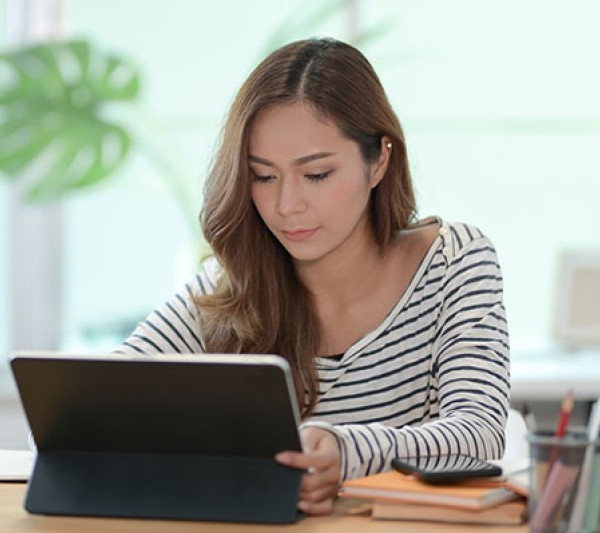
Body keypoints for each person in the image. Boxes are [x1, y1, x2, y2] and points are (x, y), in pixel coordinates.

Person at [116, 37, 509, 516]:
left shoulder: (455, 262)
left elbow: (480, 433)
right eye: (263, 176)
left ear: (379, 160)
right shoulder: (232, 284)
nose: (286, 206)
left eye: (317, 174)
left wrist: (344, 452)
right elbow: (89, 413)